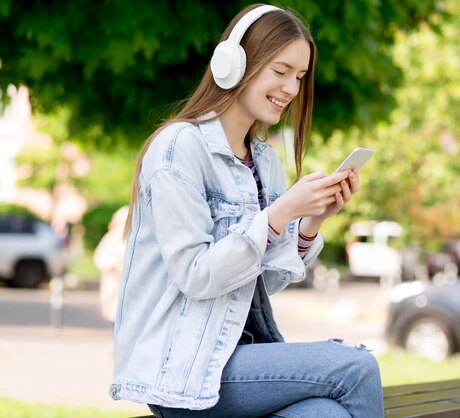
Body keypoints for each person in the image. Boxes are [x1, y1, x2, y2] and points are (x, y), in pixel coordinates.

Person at [109, 4, 384, 417]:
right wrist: (276, 216)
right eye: (280, 71)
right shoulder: (179, 147)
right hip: (184, 370)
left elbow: (261, 284)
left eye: (300, 77)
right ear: (234, 64)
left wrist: (309, 222)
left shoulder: (264, 160)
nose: (291, 88)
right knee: (356, 366)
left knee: (326, 415)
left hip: (241, 358)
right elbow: (196, 275)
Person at [93, 205, 128, 324]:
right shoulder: (111, 237)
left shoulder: (132, 237)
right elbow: (99, 257)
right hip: (113, 280)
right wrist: (111, 265)